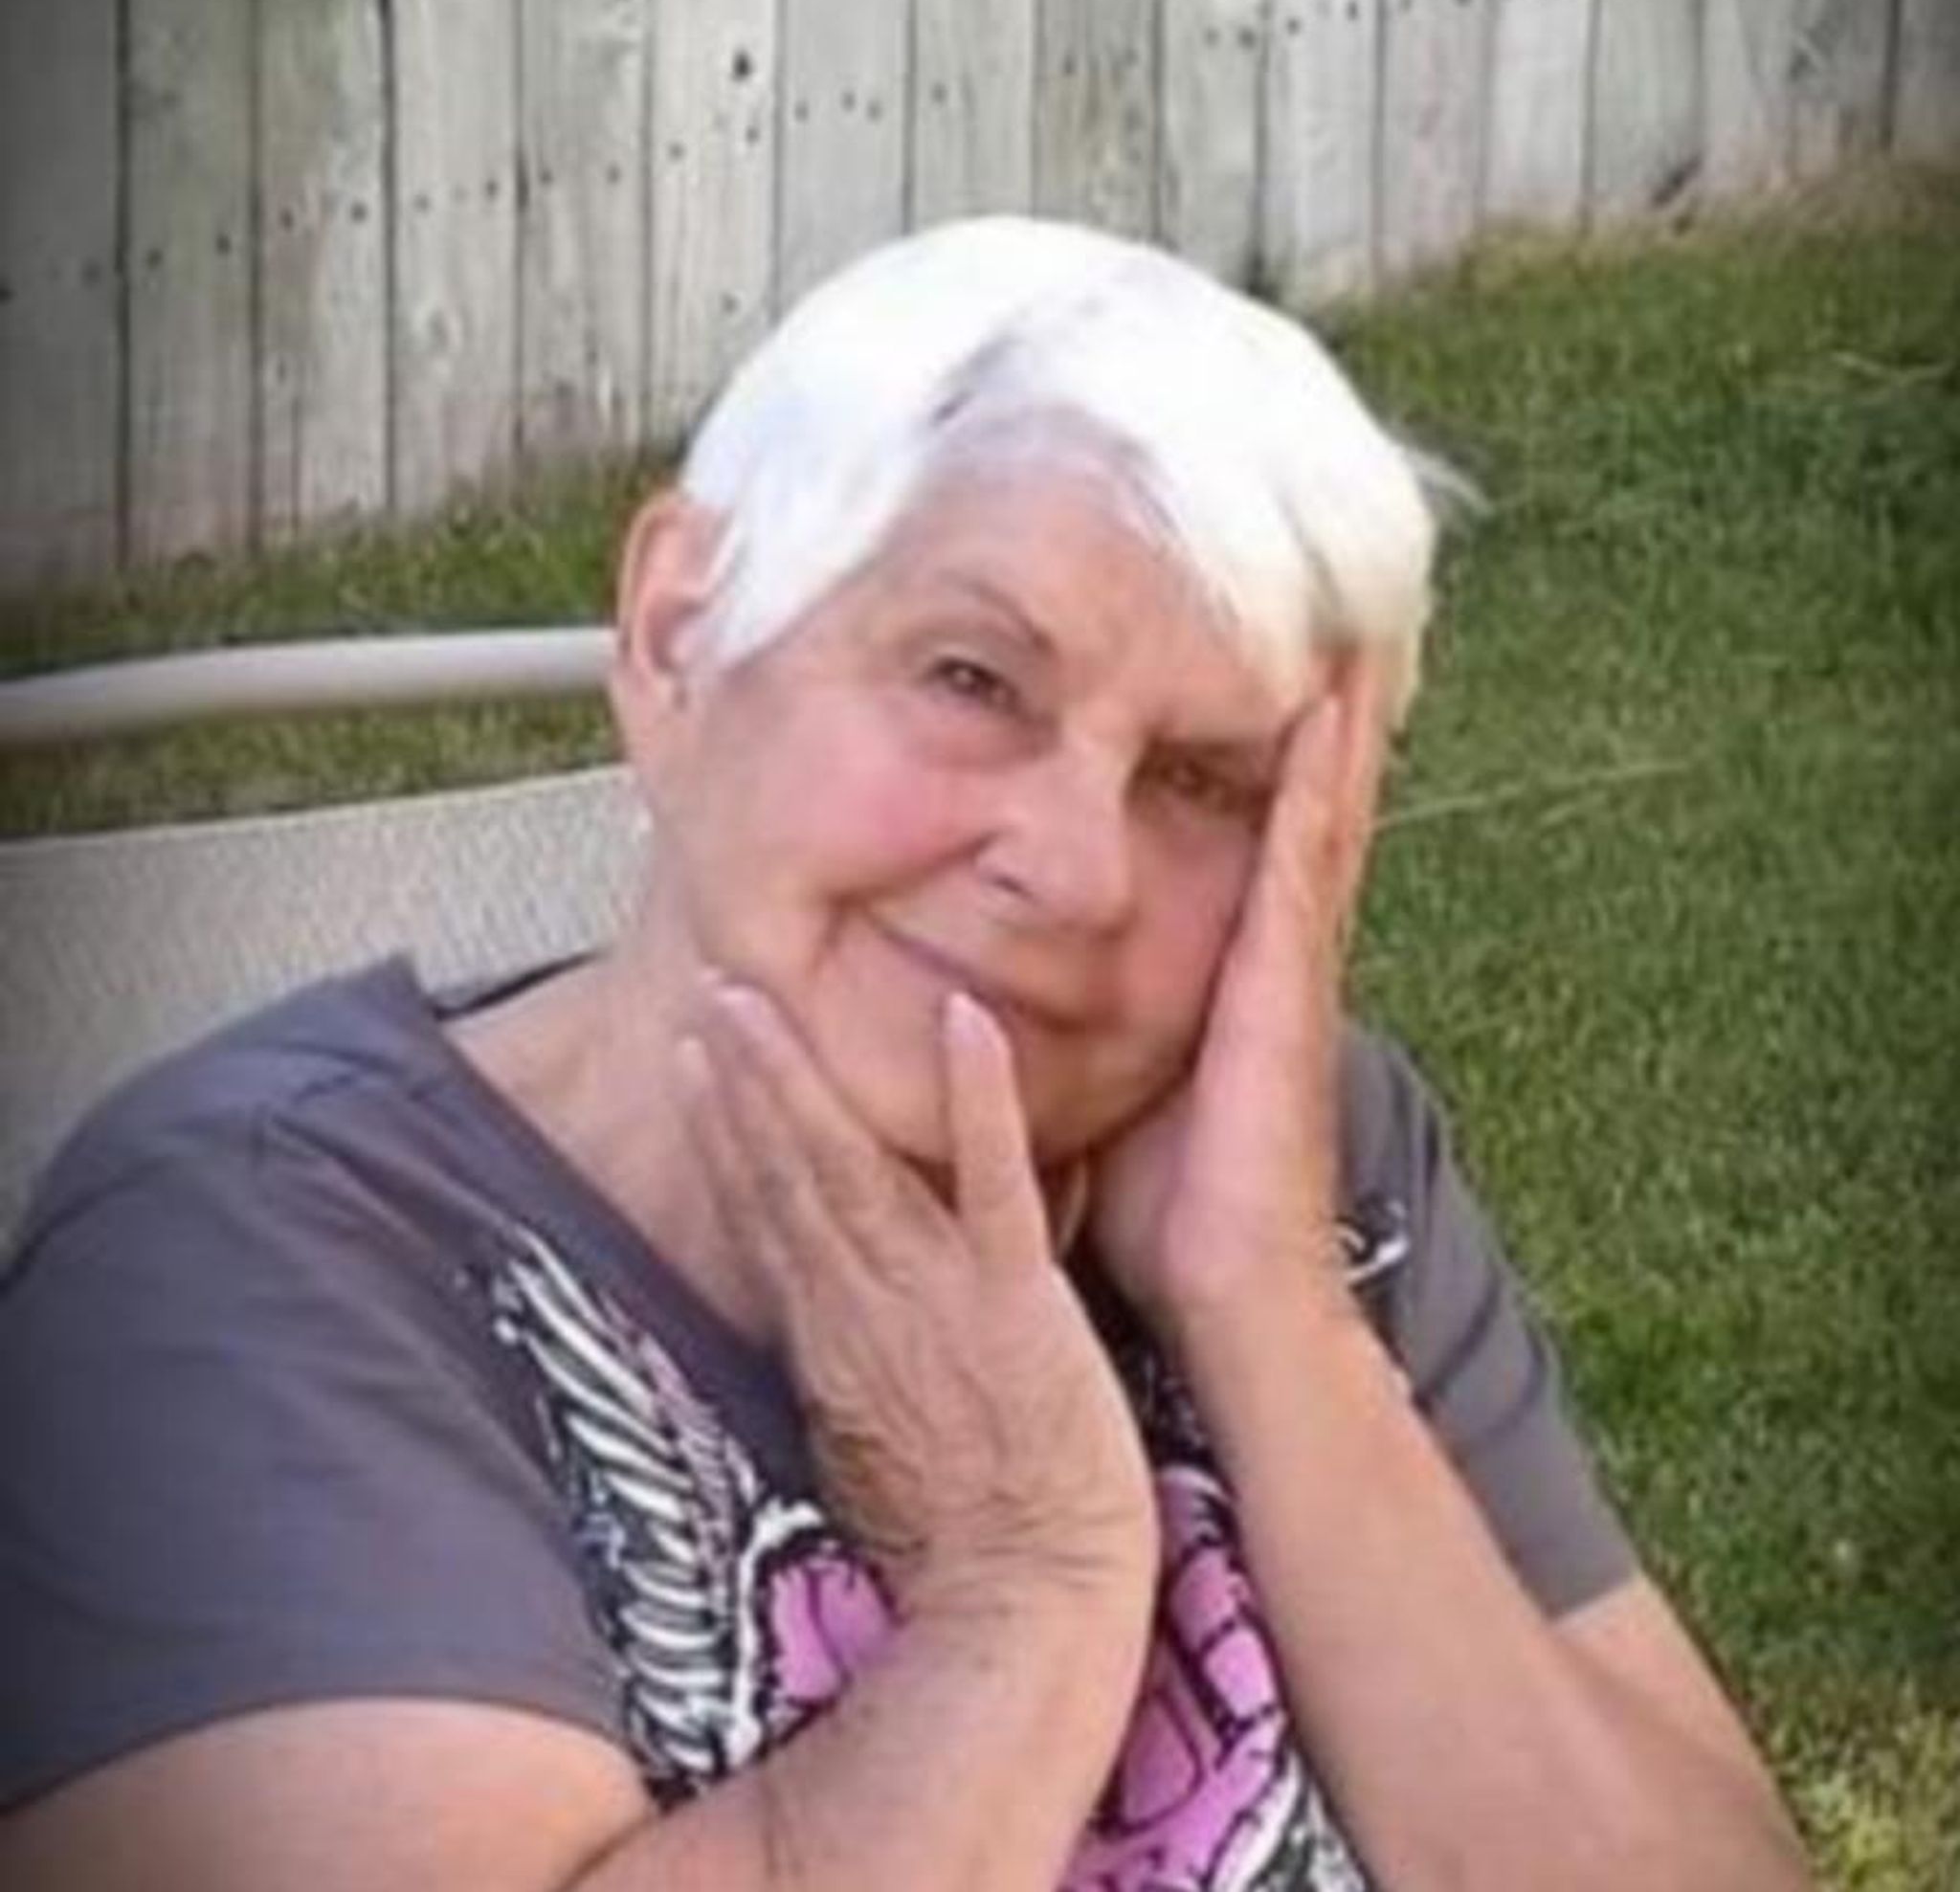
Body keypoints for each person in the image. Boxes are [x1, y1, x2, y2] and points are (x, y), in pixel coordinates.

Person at [0, 218, 1810, 1891]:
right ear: (678, 633)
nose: (1077, 869)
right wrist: (1028, 1593)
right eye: (972, 681)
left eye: (1203, 782)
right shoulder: (249, 1263)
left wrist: (1272, 1315)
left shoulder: (1289, 1160)